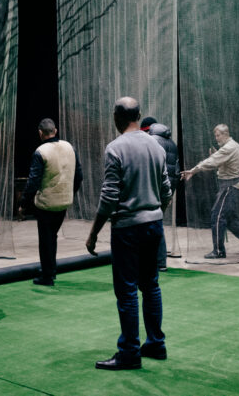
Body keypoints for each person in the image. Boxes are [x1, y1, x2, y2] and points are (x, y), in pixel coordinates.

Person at [86, 97, 172, 370]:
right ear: (139, 115)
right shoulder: (156, 146)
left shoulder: (115, 148)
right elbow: (166, 190)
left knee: (127, 292)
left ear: (117, 117)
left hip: (127, 228)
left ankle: (130, 353)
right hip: (153, 224)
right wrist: (155, 213)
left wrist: (94, 233)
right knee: (151, 286)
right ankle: (156, 344)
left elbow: (109, 197)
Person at [18, 118, 83, 286]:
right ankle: (50, 270)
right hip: (64, 202)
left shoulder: (41, 152)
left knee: (46, 239)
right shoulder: (70, 147)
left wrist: (23, 204)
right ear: (55, 131)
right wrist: (70, 192)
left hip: (46, 204)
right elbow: (79, 176)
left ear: (40, 133)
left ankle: (47, 275)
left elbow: (33, 182)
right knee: (52, 237)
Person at [181, 124, 239, 259]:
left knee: (217, 216)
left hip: (229, 187)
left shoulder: (229, 148)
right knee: (229, 218)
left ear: (225, 134)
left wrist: (193, 170)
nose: (216, 138)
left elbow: (212, 162)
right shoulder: (234, 146)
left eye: (218, 135)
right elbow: (222, 162)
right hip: (232, 186)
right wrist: (217, 156)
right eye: (215, 136)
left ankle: (219, 251)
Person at [140, 117, 180, 271]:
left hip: (153, 189)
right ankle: (160, 262)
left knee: (150, 224)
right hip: (166, 190)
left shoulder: (152, 141)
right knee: (157, 223)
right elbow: (176, 171)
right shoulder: (172, 143)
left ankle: (155, 261)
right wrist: (169, 193)